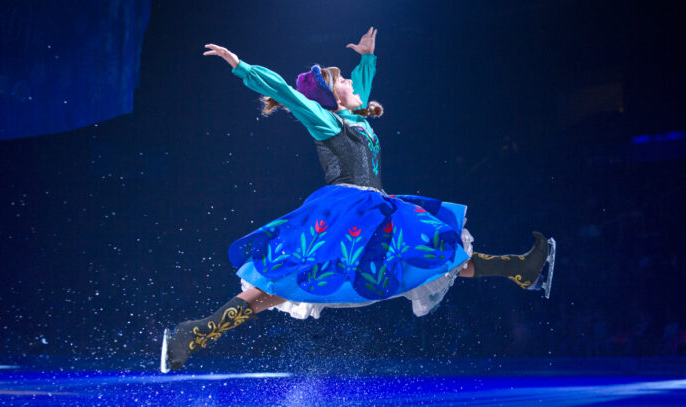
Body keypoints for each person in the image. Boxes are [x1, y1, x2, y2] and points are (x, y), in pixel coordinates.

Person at [160, 27, 556, 373]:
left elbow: (359, 92)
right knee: (280, 283)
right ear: (332, 97)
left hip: (369, 211)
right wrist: (241, 66)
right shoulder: (325, 119)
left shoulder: (354, 117)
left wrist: (367, 58)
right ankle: (190, 335)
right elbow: (284, 92)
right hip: (343, 213)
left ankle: (522, 268)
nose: (351, 81)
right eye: (344, 79)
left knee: (432, 255)